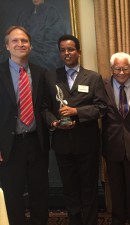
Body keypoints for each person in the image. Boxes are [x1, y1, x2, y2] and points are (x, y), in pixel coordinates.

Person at [43, 34, 106, 225]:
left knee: (88, 189)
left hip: (87, 144)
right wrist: (54, 122)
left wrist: (76, 111)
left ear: (79, 51)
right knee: (69, 189)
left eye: (70, 49)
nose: (66, 53)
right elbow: (44, 108)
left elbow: (101, 108)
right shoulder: (50, 76)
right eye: (62, 50)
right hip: (62, 144)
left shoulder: (94, 77)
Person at [0, 26, 49, 225]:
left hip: (36, 142)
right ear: (7, 46)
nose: (20, 44)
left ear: (30, 46)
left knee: (39, 192)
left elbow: (45, 106)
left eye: (24, 41)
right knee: (13, 194)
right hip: (9, 146)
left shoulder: (40, 73)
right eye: (15, 41)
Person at [102, 52, 130, 225]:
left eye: (125, 68)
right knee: (116, 186)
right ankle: (118, 218)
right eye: (117, 68)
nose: (121, 72)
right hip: (112, 143)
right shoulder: (102, 84)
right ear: (111, 69)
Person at [16, 0, 66, 70]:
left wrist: (32, 45)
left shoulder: (52, 12)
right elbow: (18, 32)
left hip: (46, 53)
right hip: (27, 50)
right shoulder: (25, 13)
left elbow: (55, 39)